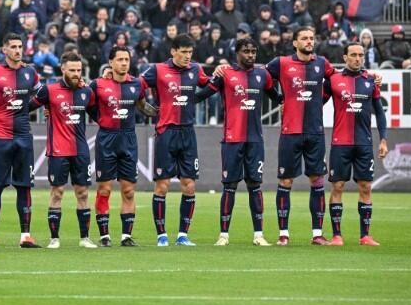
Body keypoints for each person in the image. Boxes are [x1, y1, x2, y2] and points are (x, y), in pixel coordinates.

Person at [197, 38, 281, 246]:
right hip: (232, 140)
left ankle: (258, 235)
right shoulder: (225, 74)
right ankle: (223, 235)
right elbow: (204, 93)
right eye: (246, 51)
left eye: (253, 51)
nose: (251, 55)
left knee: (255, 185)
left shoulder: (263, 75)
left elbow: (277, 97)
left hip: (255, 141)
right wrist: (177, 98)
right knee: (230, 186)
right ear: (237, 53)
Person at [265, 26, 335, 246]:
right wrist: (279, 99)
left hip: (315, 132)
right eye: (304, 38)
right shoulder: (281, 63)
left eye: (311, 38)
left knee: (317, 180)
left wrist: (321, 100)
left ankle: (317, 234)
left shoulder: (322, 63)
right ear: (295, 43)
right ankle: (283, 234)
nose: (309, 41)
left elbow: (337, 81)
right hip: (290, 132)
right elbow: (261, 78)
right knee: (286, 181)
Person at [141, 34, 210, 247]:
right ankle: (161, 236)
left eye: (190, 52)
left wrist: (220, 74)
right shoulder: (158, 70)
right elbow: (135, 85)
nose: (188, 56)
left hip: (188, 133)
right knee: (162, 186)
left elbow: (211, 85)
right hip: (166, 133)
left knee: (189, 186)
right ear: (173, 51)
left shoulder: (196, 69)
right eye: (184, 52)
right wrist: (142, 105)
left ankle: (182, 235)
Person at [0, 33, 42, 248]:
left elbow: (42, 95)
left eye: (20, 46)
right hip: (0, 136)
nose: (17, 50)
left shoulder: (30, 72)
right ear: (4, 50)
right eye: (13, 46)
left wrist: (29, 108)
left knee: (25, 187)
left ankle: (26, 236)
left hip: (23, 136)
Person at [30, 51, 98, 249]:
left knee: (83, 193)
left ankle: (85, 238)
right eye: (72, 70)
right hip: (58, 150)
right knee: (57, 192)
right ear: (63, 69)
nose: (76, 74)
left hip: (81, 151)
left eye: (79, 70)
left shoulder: (86, 92)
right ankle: (54, 239)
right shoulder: (49, 91)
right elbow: (27, 107)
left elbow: (99, 114)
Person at [90, 46, 156, 247]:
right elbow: (85, 103)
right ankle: (104, 236)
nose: (124, 63)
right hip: (107, 139)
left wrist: (163, 113)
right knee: (104, 189)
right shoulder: (98, 84)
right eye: (120, 59)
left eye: (126, 59)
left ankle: (126, 236)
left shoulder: (137, 84)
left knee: (128, 190)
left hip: (128, 139)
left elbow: (143, 107)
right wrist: (101, 120)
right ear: (111, 62)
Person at [324, 42, 388, 246]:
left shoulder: (370, 80)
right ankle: (336, 236)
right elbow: (316, 104)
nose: (358, 58)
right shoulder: (333, 80)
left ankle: (365, 236)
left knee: (366, 187)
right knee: (338, 186)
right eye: (353, 55)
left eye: (361, 55)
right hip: (340, 143)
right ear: (345, 57)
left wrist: (383, 139)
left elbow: (379, 112)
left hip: (364, 143)